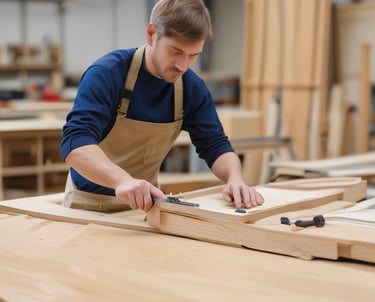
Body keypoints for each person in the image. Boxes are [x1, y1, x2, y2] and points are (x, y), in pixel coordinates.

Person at [60, 0, 264, 212]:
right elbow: (76, 144)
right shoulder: (107, 74)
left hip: (147, 207)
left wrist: (235, 178)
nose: (182, 65)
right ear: (151, 33)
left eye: (193, 55)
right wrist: (122, 181)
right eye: (175, 51)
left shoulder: (190, 88)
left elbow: (215, 145)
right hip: (87, 205)